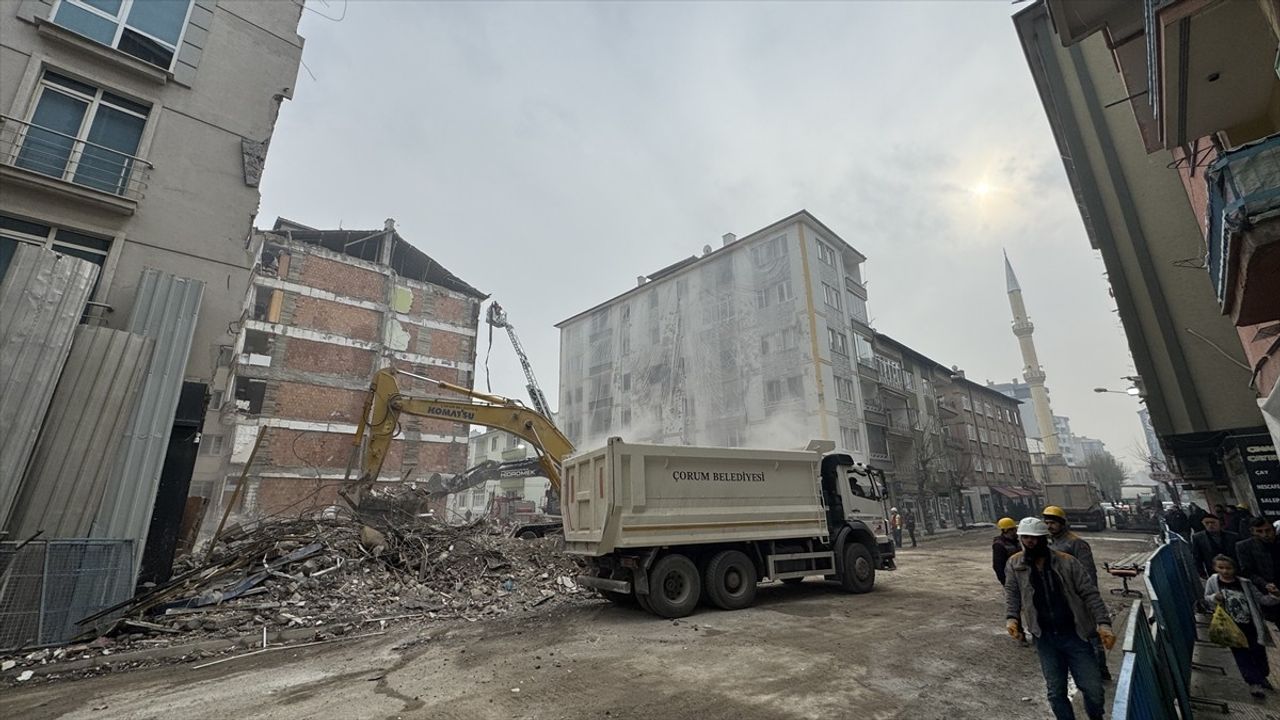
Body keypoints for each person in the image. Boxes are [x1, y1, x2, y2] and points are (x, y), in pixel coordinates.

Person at [1005, 517, 1114, 720]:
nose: (1030, 542)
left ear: (1044, 539)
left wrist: (1104, 623)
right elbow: (1012, 593)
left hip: (1075, 635)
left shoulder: (1066, 562)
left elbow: (1089, 593)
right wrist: (1012, 618)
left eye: (1034, 538)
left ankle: (1096, 716)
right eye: (1025, 537)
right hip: (1045, 638)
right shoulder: (1015, 564)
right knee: (1056, 692)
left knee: (1093, 689)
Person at [1043, 505, 1106, 681]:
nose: (1049, 526)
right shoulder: (1052, 543)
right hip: (1061, 599)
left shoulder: (1076, 543)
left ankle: (1100, 669)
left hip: (1079, 597)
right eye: (1047, 523)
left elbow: (1088, 573)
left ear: (1062, 523)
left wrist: (1087, 597)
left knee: (1089, 634)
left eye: (1053, 523)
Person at [1205, 554, 1280, 698]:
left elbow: (1260, 599)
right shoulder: (1213, 582)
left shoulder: (1245, 583)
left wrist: (1274, 597)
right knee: (1242, 655)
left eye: (1228, 568)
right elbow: (1207, 597)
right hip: (1231, 626)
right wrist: (1215, 597)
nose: (1225, 571)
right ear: (1215, 568)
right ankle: (1254, 683)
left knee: (1258, 652)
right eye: (1221, 567)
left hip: (1251, 625)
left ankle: (1261, 675)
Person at [1236, 517, 1280, 600]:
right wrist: (1265, 584)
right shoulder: (1244, 546)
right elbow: (1247, 571)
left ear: (1273, 529)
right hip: (1263, 590)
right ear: (1252, 531)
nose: (1265, 535)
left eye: (1268, 530)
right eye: (1259, 531)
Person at [1191, 514, 1240, 578]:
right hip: (1213, 570)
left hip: (1234, 569)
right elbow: (1197, 556)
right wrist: (1201, 572)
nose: (1210, 525)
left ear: (1219, 522)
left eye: (1213, 522)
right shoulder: (1198, 538)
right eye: (1207, 523)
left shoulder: (1233, 536)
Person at [992, 517, 1021, 585]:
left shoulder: (1017, 542)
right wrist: (1005, 582)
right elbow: (998, 566)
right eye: (1013, 529)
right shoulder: (999, 545)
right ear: (1006, 531)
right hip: (1010, 578)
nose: (1015, 531)